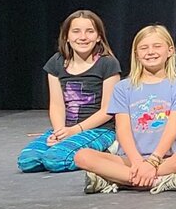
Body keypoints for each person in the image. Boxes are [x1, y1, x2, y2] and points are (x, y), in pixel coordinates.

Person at [75, 25, 176, 194]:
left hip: (164, 159)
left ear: (170, 51)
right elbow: (122, 128)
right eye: (144, 48)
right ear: (136, 54)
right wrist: (138, 162)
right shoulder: (123, 88)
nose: (150, 52)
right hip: (130, 160)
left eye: (157, 46)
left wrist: (153, 161)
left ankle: (119, 179)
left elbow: (172, 128)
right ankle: (158, 181)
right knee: (82, 156)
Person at [18, 10, 120, 173]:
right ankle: (70, 148)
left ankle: (102, 154)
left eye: (90, 31)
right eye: (76, 31)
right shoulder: (56, 63)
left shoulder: (107, 64)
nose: (83, 37)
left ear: (99, 36)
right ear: (66, 36)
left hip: (98, 130)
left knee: (56, 160)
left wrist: (74, 131)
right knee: (28, 161)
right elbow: (57, 105)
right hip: (66, 129)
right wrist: (59, 133)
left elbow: (108, 110)